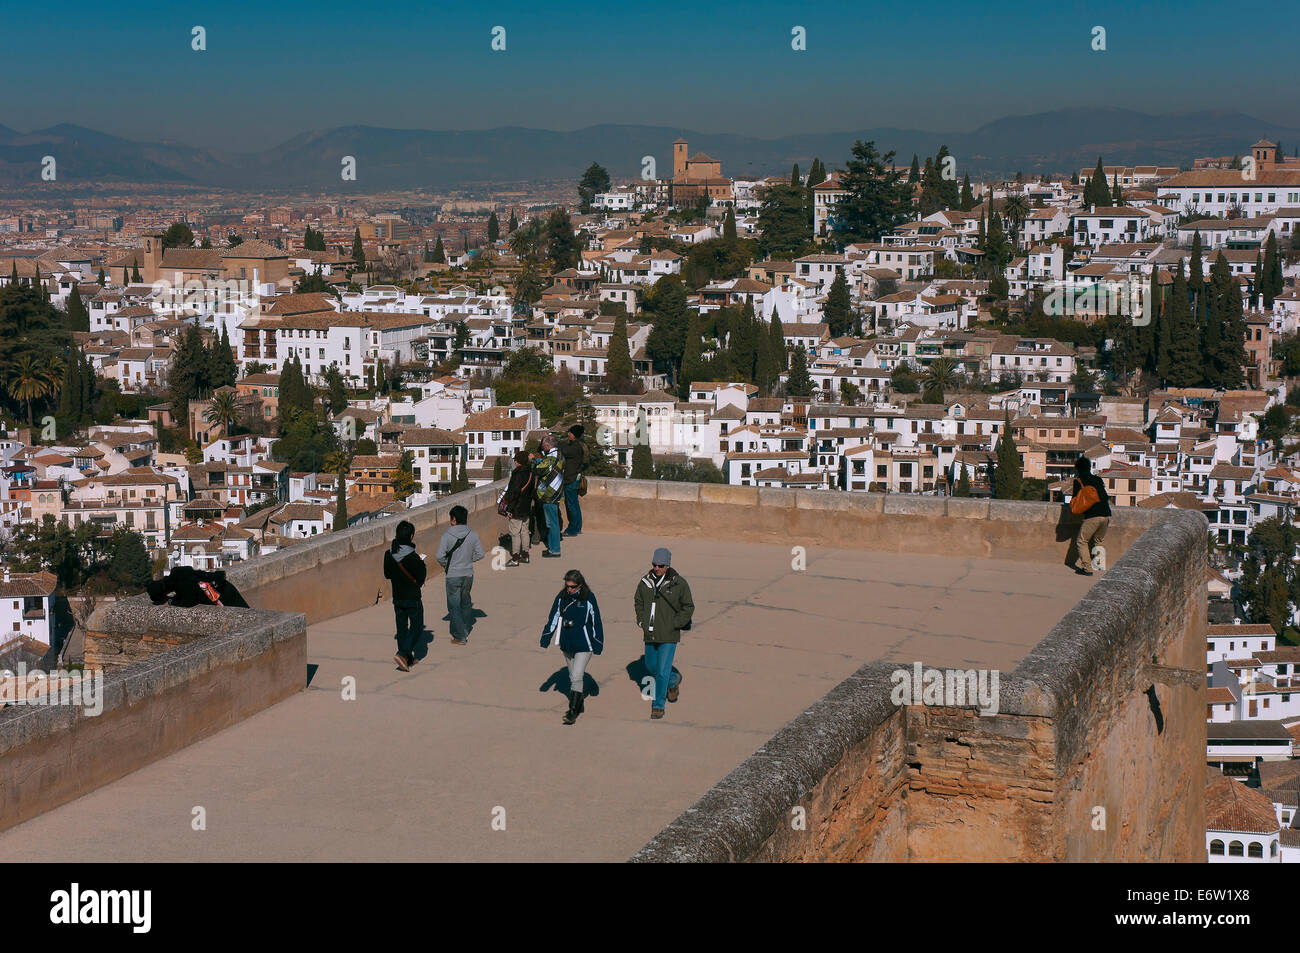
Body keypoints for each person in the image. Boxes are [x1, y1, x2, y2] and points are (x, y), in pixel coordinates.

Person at [634, 547, 694, 720]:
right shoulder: (645, 582)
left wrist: (675, 624)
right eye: (654, 564)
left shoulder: (679, 583)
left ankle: (658, 705)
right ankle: (673, 680)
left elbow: (688, 606)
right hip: (650, 633)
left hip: (669, 635)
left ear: (667, 565)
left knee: (661, 671)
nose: (656, 568)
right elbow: (638, 601)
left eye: (660, 565)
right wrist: (641, 620)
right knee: (651, 667)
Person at [540, 569, 604, 725]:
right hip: (567, 643)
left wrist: (598, 642)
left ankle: (572, 711)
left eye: (573, 586)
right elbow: (553, 617)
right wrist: (546, 636)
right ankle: (579, 702)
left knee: (576, 676)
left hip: (584, 644)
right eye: (567, 586)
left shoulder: (588, 598)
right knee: (572, 676)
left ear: (580, 585)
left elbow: (596, 620)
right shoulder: (561, 597)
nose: (569, 589)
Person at [436, 505, 485, 644]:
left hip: (453, 575)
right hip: (468, 574)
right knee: (465, 603)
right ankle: (465, 627)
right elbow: (480, 554)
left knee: (454, 606)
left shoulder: (447, 535)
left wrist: (447, 564)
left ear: (453, 520)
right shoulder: (473, 534)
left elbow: (439, 556)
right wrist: (469, 560)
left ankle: (460, 636)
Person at [383, 520, 427, 671]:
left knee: (401, 628)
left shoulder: (388, 554)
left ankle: (405, 660)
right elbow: (421, 578)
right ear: (411, 536)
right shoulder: (413, 557)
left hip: (397, 597)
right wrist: (422, 563)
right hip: (412, 597)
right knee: (417, 627)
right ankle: (402, 653)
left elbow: (387, 574)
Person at [1069, 456, 1112, 576]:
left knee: (1081, 541)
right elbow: (1104, 496)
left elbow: (1076, 500)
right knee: (1098, 540)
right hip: (1106, 514)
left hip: (1093, 515)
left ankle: (1087, 568)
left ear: (1077, 469)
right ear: (1089, 467)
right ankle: (1099, 565)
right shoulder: (1098, 479)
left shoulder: (1078, 481)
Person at [147, 567, 250, 609]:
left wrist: (170, 602)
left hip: (221, 595)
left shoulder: (180, 584)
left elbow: (189, 601)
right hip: (224, 586)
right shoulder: (176, 572)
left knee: (246, 617)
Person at [533, 434, 565, 558]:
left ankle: (555, 550)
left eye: (543, 446)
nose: (542, 448)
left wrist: (535, 460)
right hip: (557, 491)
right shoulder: (560, 455)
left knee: (552, 523)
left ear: (547, 445)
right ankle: (553, 547)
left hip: (549, 494)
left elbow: (539, 470)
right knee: (554, 521)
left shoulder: (551, 457)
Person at [502, 449, 535, 567]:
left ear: (518, 461)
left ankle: (515, 558)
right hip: (526, 507)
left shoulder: (518, 474)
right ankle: (525, 556)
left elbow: (514, 493)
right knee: (525, 531)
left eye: (515, 459)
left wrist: (509, 509)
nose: (514, 461)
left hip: (516, 508)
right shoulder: (531, 473)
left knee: (515, 533)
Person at [559, 425, 586, 537]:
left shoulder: (575, 447)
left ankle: (572, 529)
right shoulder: (578, 446)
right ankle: (577, 527)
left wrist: (553, 441)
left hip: (571, 479)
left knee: (571, 506)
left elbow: (564, 451)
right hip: (574, 479)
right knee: (575, 505)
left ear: (575, 434)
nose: (568, 434)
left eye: (570, 433)